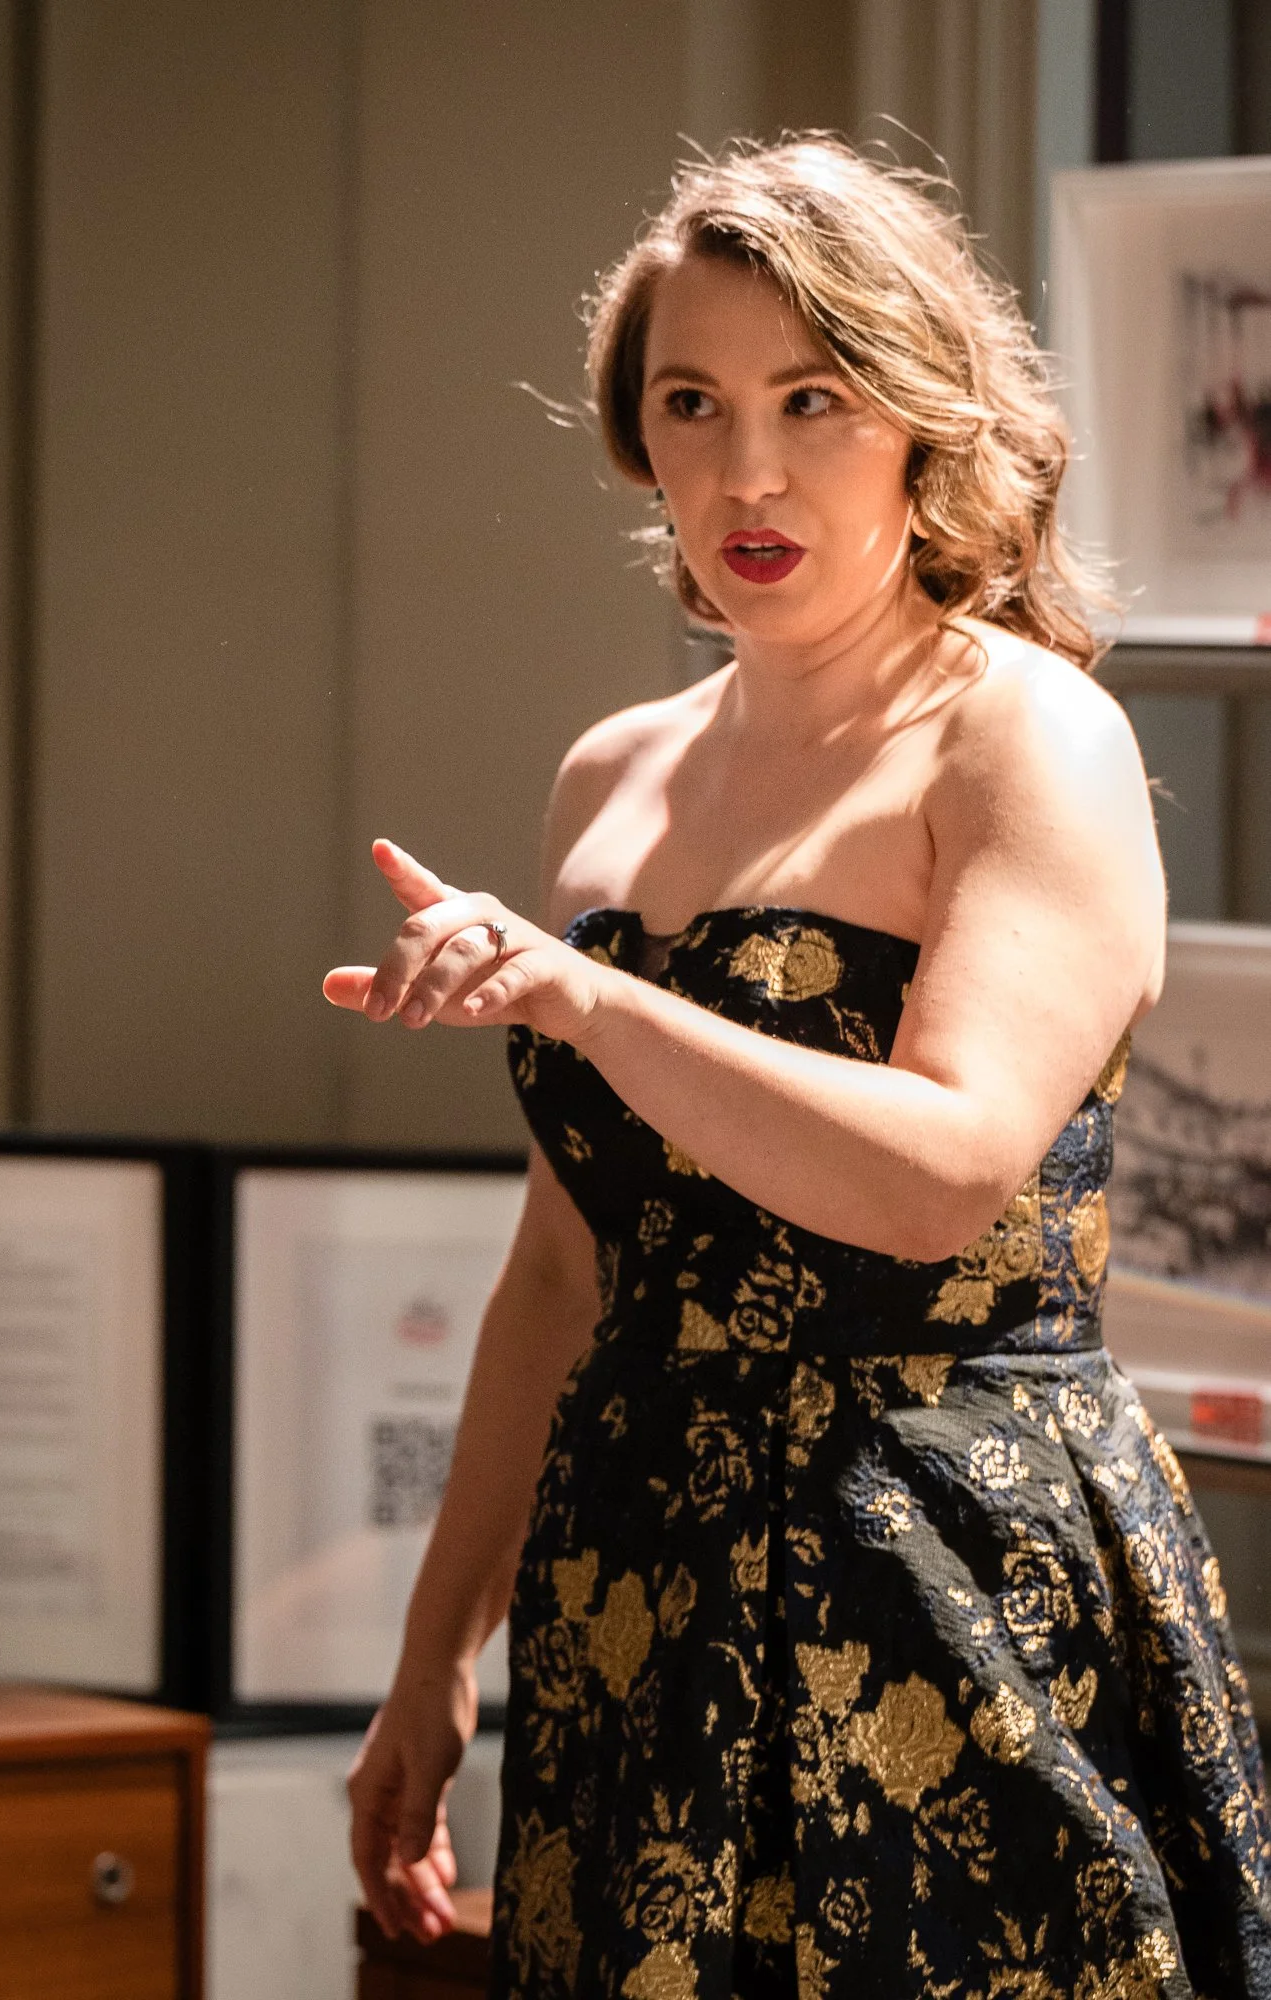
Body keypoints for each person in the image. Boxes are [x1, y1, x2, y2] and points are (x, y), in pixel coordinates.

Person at [324, 137, 1271, 1998]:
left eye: (811, 401)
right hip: (635, 1591)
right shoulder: (615, 775)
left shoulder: (1026, 742)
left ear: (920, 419)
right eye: (693, 405)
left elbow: (938, 1173)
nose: (746, 473)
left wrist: (584, 1000)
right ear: (638, 438)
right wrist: (438, 1652)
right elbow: (566, 1271)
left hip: (949, 1580)